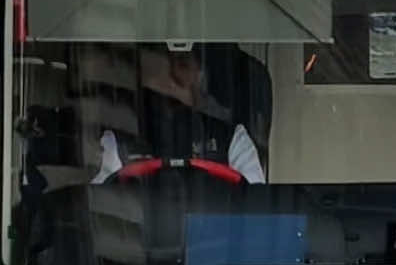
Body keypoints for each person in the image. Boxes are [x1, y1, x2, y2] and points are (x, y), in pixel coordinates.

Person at [92, 44, 266, 185]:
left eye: (183, 63)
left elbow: (255, 211)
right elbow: (101, 207)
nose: (174, 79)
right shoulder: (116, 141)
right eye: (168, 64)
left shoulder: (231, 139)